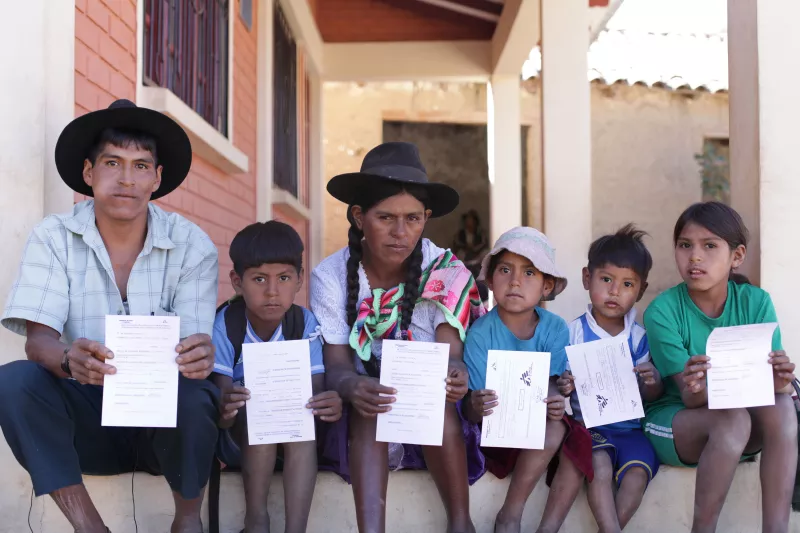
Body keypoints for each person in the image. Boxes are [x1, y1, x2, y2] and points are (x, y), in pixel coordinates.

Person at [0, 99, 220, 533]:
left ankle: (187, 520)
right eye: (112, 162)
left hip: (162, 429)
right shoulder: (54, 236)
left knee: (197, 397)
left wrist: (200, 355)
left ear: (157, 178)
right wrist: (68, 359)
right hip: (87, 420)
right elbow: (38, 341)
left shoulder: (191, 243)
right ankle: (90, 527)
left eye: (141, 166)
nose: (126, 179)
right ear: (89, 173)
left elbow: (194, 353)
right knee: (14, 380)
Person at [310, 142, 486, 533]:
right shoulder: (331, 276)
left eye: (412, 219)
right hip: (361, 415)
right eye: (385, 217)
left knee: (435, 406)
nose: (400, 232)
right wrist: (354, 384)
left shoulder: (445, 268)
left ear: (426, 218)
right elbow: (336, 365)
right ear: (359, 217)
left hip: (435, 413)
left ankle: (461, 523)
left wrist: (455, 373)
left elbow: (450, 355)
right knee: (373, 410)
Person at [642, 202, 797, 533]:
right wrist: (697, 387)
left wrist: (781, 381)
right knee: (732, 419)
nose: (695, 257)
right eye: (685, 245)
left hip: (739, 429)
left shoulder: (755, 302)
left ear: (737, 256)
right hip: (679, 424)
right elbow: (690, 398)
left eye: (709, 246)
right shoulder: (662, 312)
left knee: (783, 407)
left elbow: (770, 386)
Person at [211, 221, 343, 533]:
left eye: (283, 278)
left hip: (296, 440)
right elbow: (220, 409)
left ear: (299, 281)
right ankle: (256, 520)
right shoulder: (227, 323)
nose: (272, 291)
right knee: (263, 418)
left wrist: (328, 404)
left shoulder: (303, 322)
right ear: (237, 281)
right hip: (237, 440)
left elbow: (315, 394)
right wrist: (228, 404)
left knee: (297, 426)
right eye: (259, 279)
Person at [463, 227, 589, 533]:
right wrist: (475, 406)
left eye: (529, 272)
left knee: (573, 438)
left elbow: (551, 384)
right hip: (495, 432)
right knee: (556, 430)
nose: (515, 281)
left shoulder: (555, 328)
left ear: (547, 286)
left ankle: (530, 519)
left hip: (538, 425)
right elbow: (470, 408)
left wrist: (557, 400)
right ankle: (511, 515)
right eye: (505, 270)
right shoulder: (480, 333)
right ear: (490, 280)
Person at [557, 225, 663, 533]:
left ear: (641, 290)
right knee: (599, 467)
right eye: (606, 280)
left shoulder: (639, 338)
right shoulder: (573, 333)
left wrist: (652, 380)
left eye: (627, 284)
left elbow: (651, 394)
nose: (615, 291)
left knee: (638, 475)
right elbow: (560, 382)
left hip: (631, 430)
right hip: (589, 429)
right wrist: (565, 384)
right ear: (587, 279)